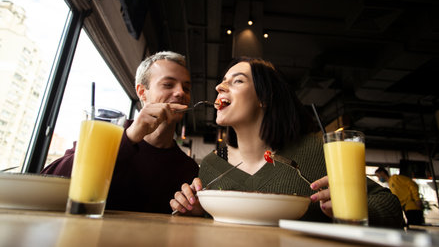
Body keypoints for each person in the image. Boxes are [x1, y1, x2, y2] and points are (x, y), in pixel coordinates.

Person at [170, 57, 404, 228]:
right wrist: (197, 211)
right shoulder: (212, 163)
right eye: (222, 82)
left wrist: (353, 207)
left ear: (265, 97)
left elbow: (391, 207)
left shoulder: (317, 150)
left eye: (237, 81)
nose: (219, 87)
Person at [42, 51, 199, 214]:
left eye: (186, 88)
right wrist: (129, 137)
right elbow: (48, 182)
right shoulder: (103, 133)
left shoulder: (188, 169)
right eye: (168, 84)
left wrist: (194, 211)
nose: (181, 93)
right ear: (142, 92)